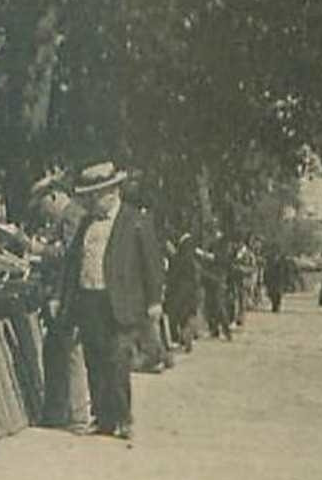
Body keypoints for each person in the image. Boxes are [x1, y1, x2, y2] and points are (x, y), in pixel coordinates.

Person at [61, 161, 164, 441]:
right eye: (91, 196)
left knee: (118, 358)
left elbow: (152, 263)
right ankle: (103, 417)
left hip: (121, 301)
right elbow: (74, 263)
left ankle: (123, 417)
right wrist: (69, 299)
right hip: (90, 299)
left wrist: (154, 300)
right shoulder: (87, 224)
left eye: (98, 195)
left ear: (113, 192)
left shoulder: (135, 220)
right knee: (94, 358)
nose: (94, 201)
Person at [28, 176, 93, 435]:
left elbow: (67, 257)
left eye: (43, 205)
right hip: (61, 294)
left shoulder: (71, 216)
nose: (43, 211)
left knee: (70, 352)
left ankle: (77, 414)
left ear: (54, 196)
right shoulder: (69, 216)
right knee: (56, 349)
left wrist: (37, 249)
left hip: (66, 295)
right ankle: (59, 411)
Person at [163, 231, 201, 352]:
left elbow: (174, 273)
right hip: (191, 291)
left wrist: (168, 283)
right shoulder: (191, 256)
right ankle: (187, 335)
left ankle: (179, 338)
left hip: (180, 290)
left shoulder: (179, 256)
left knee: (176, 313)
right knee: (187, 314)